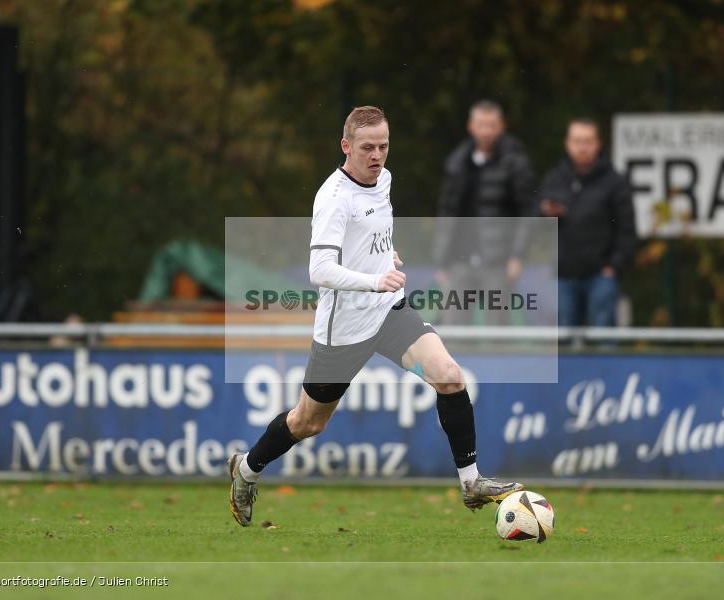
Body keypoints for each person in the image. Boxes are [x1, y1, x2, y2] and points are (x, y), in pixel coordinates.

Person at [226, 106, 523, 527]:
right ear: (346, 146)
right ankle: (246, 470)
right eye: (367, 147)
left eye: (383, 146)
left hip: (388, 312)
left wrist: (385, 257)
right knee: (307, 422)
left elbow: (371, 236)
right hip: (344, 328)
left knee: (450, 375)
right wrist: (373, 278)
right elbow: (320, 270)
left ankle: (471, 482)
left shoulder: (384, 178)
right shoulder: (333, 198)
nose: (377, 155)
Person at [432, 100, 537, 325]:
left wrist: (517, 256)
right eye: (481, 124)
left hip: (498, 262)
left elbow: (528, 213)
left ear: (501, 127)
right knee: (453, 329)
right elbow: (447, 213)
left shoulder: (515, 163)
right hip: (460, 260)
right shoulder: (457, 163)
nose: (486, 131)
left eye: (491, 125)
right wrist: (442, 261)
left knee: (496, 331)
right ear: (471, 126)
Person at [539, 118, 637, 327]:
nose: (582, 147)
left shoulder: (615, 182)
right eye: (577, 141)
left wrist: (613, 267)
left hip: (600, 275)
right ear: (567, 143)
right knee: (561, 344)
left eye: (587, 141)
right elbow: (535, 224)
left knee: (602, 342)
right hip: (562, 276)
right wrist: (545, 213)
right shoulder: (554, 179)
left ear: (598, 143)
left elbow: (627, 230)